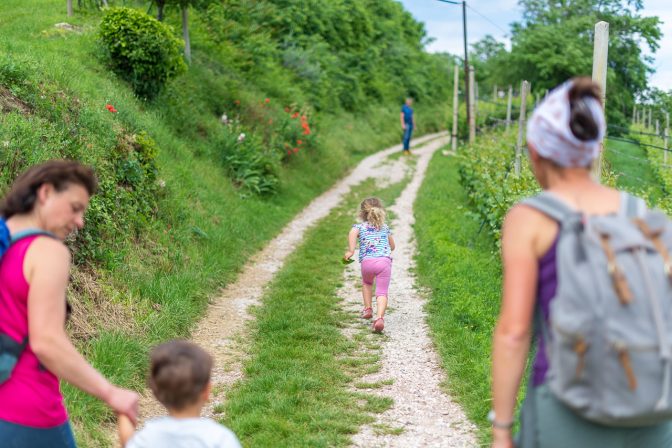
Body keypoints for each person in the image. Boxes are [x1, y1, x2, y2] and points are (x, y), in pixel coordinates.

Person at [490, 78, 672, 448]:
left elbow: (514, 332)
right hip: (653, 407)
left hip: (567, 410)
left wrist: (501, 428)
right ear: (593, 152)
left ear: (535, 151)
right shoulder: (646, 217)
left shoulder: (530, 219)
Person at [0, 160, 139, 447]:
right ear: (46, 192)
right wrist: (111, 393)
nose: (80, 221)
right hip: (25, 413)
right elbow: (46, 342)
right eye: (75, 208)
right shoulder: (48, 251)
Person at [118, 339, 242, 448]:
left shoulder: (147, 437)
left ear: (156, 393)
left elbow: (129, 443)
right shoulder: (220, 439)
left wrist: (123, 414)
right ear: (207, 391)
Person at [344, 197, 395, 333]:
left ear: (362, 213)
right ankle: (379, 318)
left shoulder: (358, 228)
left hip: (367, 263)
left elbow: (352, 240)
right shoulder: (385, 228)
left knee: (367, 283)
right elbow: (392, 246)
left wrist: (350, 252)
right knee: (382, 292)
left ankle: (367, 309)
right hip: (384, 262)